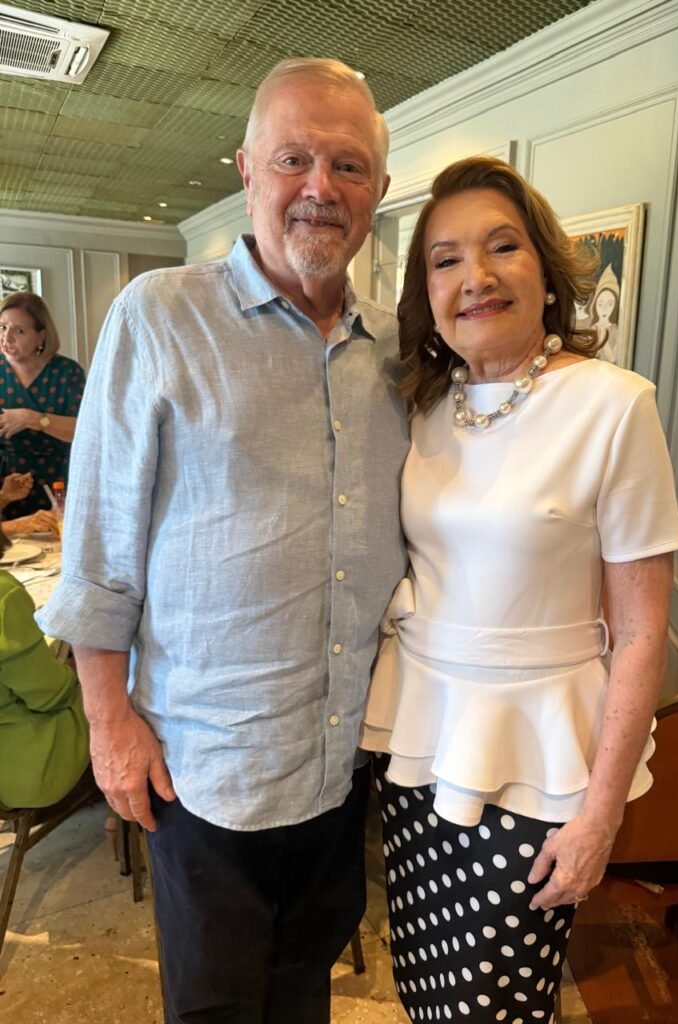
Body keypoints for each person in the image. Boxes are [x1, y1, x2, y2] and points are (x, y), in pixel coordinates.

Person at [38, 58, 408, 1024]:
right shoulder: (161, 316)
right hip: (204, 768)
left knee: (303, 991)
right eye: (294, 159)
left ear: (379, 188)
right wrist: (109, 727)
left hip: (342, 762)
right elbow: (99, 552)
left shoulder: (400, 351)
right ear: (246, 171)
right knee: (213, 1007)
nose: (321, 187)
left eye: (349, 165)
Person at [359, 156, 678, 1024]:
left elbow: (643, 631)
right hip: (421, 743)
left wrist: (600, 817)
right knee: (427, 989)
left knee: (494, 1003)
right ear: (426, 294)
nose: (476, 276)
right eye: (446, 260)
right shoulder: (425, 404)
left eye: (502, 247)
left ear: (546, 270)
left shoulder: (615, 406)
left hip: (539, 761)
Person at [0, 523, 89, 809]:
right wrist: (78, 670)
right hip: (23, 772)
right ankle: (126, 811)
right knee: (120, 679)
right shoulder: (3, 594)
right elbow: (51, 696)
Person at [0, 292, 85, 518]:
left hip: (61, 480)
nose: (6, 338)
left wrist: (33, 419)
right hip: (6, 485)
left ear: (41, 336)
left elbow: (86, 432)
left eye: (19, 331)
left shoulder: (67, 372)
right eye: (2, 327)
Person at [590, 264, 621, 364]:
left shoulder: (616, 330)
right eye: (600, 304)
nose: (604, 309)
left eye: (610, 304)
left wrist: (604, 339)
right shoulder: (591, 329)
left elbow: (613, 359)